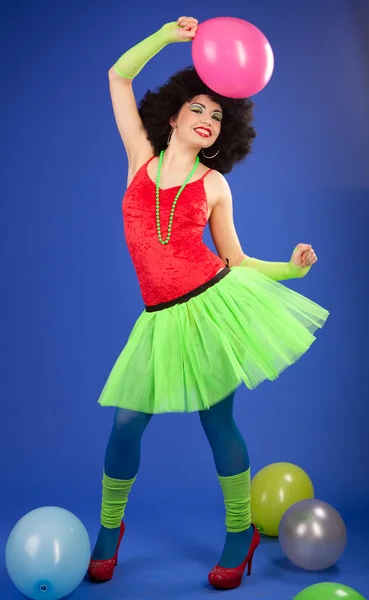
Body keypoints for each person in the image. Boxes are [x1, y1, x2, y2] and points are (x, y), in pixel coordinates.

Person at [87, 16, 329, 590]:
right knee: (125, 424)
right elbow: (119, 77)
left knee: (217, 420)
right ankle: (109, 529)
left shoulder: (216, 185)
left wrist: (292, 270)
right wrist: (167, 38)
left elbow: (237, 261)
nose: (209, 119)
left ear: (224, 133)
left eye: (219, 115)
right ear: (173, 116)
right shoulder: (139, 160)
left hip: (211, 307)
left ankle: (239, 532)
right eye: (199, 108)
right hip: (158, 320)